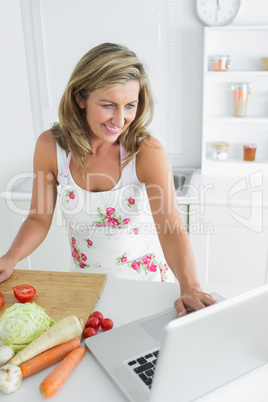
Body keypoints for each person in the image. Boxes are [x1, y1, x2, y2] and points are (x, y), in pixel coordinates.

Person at [0, 43, 216, 315]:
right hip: (86, 287)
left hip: (145, 287)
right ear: (80, 98)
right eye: (108, 105)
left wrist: (190, 285)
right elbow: (38, 219)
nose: (120, 118)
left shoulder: (146, 151)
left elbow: (170, 225)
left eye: (130, 105)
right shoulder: (50, 147)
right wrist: (10, 258)